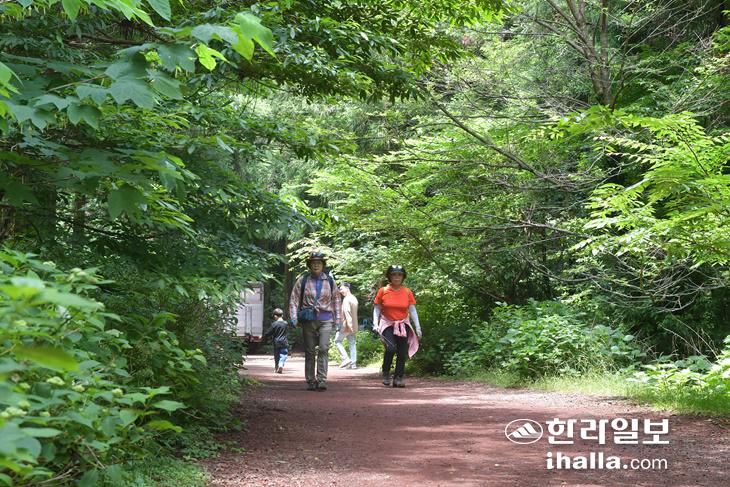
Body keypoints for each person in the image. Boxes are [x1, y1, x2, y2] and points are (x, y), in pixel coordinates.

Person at [289, 250, 342, 391]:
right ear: (309, 265)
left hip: (326, 319)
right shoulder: (303, 280)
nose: (316, 265)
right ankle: (311, 380)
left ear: (323, 265)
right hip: (309, 320)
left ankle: (322, 379)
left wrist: (338, 320)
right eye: (313, 263)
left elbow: (336, 300)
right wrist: (294, 317)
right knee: (310, 351)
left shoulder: (330, 281)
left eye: (319, 263)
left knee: (324, 348)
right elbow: (294, 300)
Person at [373, 265, 422, 388]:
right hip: (387, 323)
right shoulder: (383, 290)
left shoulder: (407, 291)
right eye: (394, 275)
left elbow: (412, 310)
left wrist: (418, 327)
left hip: (403, 324)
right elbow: (377, 308)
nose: (396, 277)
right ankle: (386, 373)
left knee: (402, 351)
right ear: (389, 276)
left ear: (403, 277)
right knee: (390, 349)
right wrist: (375, 323)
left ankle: (398, 378)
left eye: (399, 275)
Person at [335, 282, 359, 369]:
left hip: (346, 325)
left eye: (341, 289)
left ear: (347, 288)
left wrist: (349, 325)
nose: (340, 291)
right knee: (352, 343)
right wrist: (353, 326)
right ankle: (353, 363)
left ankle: (345, 359)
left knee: (337, 341)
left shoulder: (346, 299)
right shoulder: (354, 298)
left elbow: (347, 312)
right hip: (354, 325)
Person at [262, 308, 292, 374]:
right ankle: (281, 365)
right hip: (284, 342)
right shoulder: (285, 323)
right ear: (282, 315)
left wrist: (263, 336)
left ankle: (276, 368)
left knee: (277, 355)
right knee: (283, 354)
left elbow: (269, 332)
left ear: (275, 316)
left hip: (276, 342)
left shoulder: (274, 324)